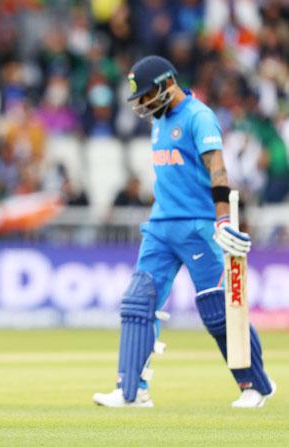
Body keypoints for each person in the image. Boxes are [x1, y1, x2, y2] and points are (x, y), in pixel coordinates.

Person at [93, 55, 275, 408]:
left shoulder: (199, 116)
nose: (144, 104)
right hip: (160, 225)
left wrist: (223, 220)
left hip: (197, 225)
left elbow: (218, 171)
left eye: (147, 95)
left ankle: (255, 386)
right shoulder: (159, 121)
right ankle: (132, 391)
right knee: (137, 301)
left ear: (166, 84)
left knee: (218, 309)